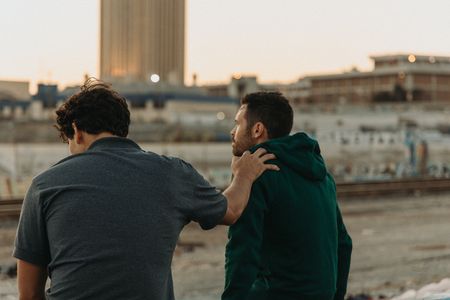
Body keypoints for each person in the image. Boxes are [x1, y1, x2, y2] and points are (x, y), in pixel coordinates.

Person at [13, 79, 278, 300]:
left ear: (76, 131)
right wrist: (244, 175)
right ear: (122, 129)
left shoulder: (44, 185)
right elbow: (231, 210)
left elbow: (28, 294)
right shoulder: (171, 172)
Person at [222, 92, 352, 300]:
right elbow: (344, 244)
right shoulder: (322, 175)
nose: (232, 132)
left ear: (257, 130)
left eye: (237, 124)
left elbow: (243, 252)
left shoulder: (257, 173)